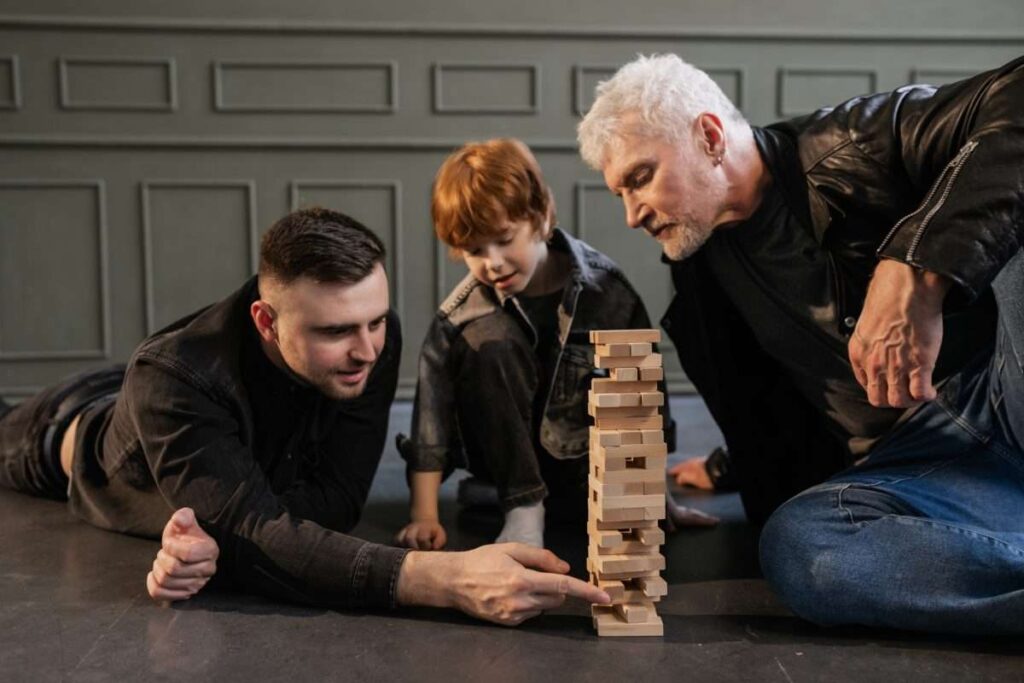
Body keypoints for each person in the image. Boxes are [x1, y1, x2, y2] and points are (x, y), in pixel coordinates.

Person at [577, 54, 1024, 635]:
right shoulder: (703, 269)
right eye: (619, 193)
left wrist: (919, 264)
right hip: (924, 469)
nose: (632, 213)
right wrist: (729, 465)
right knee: (799, 545)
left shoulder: (852, 144)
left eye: (640, 177)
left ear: (709, 136)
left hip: (1002, 389)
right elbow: (776, 395)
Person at [0, 207, 610, 625]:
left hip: (172, 410)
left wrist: (245, 536)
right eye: (337, 330)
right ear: (267, 322)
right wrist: (445, 580)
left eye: (375, 321)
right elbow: (265, 537)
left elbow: (336, 502)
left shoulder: (370, 339)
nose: (369, 349)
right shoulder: (173, 379)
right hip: (62, 430)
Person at [394, 138, 711, 551]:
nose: (492, 263)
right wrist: (424, 516)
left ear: (540, 216)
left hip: (580, 473)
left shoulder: (606, 292)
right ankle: (524, 510)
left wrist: (651, 497)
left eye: (505, 239)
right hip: (503, 478)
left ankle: (558, 504)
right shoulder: (461, 315)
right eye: (474, 251)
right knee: (491, 342)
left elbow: (642, 398)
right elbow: (430, 423)